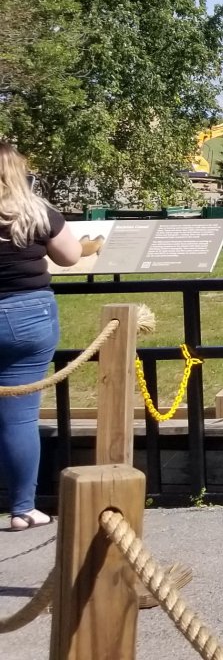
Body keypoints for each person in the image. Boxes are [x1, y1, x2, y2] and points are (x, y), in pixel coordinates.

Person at [0, 143, 80, 531]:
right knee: (18, 420)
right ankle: (22, 508)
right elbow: (70, 256)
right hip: (26, 317)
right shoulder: (35, 210)